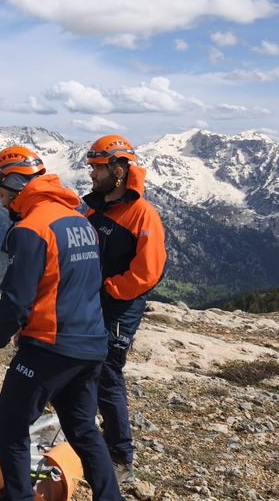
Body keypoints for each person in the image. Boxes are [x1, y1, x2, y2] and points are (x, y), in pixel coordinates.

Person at [0, 145, 123, 501]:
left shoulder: (31, 228)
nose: (0, 202)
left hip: (50, 349)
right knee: (83, 429)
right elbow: (76, 284)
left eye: (1, 192)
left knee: (10, 428)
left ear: (14, 184)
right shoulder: (80, 221)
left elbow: (16, 301)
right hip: (90, 345)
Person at [83, 135, 166, 483]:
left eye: (97, 169)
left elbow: (149, 271)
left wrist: (111, 289)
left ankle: (120, 454)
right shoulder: (92, 208)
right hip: (90, 303)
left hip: (119, 308)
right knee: (83, 368)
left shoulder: (141, 212)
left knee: (107, 375)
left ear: (118, 169)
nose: (92, 175)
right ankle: (90, 441)